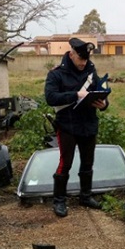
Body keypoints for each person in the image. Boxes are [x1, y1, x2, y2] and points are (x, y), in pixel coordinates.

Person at [44, 37, 109, 217]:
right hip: (67, 125)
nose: (83, 63)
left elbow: (100, 91)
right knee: (66, 163)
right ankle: (59, 201)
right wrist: (76, 95)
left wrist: (104, 104)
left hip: (88, 124)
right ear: (71, 54)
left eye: (86, 59)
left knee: (88, 162)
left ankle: (85, 196)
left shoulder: (90, 70)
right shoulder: (56, 74)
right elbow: (50, 98)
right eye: (81, 59)